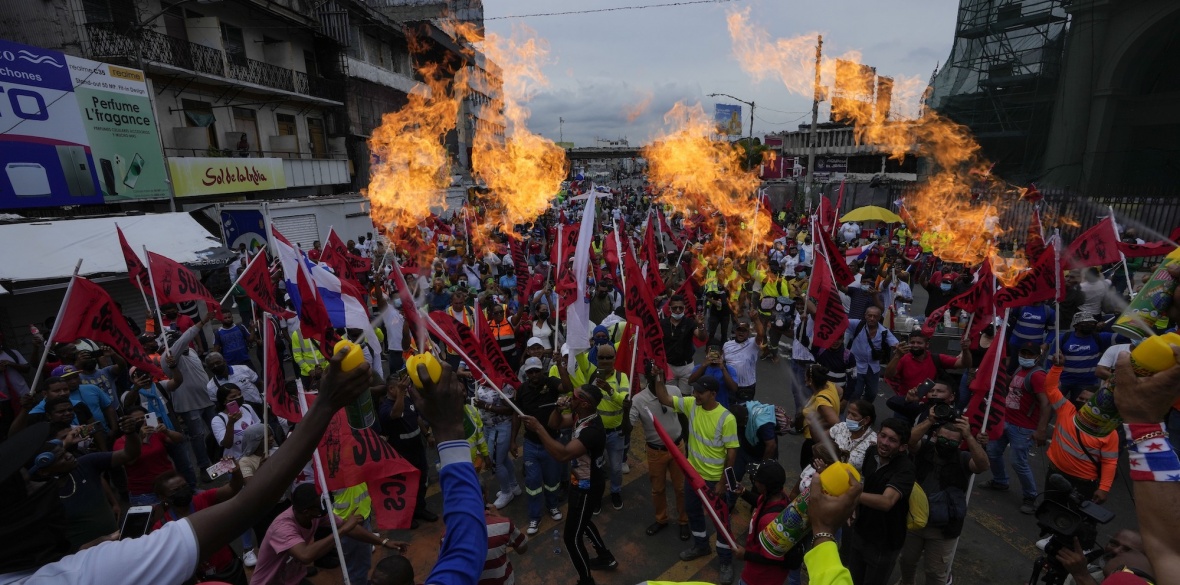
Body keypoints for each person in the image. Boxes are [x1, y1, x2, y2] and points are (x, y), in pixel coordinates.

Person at [520, 383, 619, 585]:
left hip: (587, 486)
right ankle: (605, 557)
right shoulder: (580, 416)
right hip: (580, 480)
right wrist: (558, 408)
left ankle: (586, 581)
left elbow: (562, 454)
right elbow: (555, 424)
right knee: (583, 521)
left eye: (573, 397)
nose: (569, 397)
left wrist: (538, 428)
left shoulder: (592, 430)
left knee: (571, 538)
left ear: (583, 404)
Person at [650, 372, 739, 584]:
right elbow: (665, 398)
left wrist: (722, 482)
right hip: (692, 475)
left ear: (713, 394)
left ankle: (725, 560)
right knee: (693, 511)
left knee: (721, 522)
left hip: (713, 481)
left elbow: (732, 452)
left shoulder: (727, 418)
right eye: (695, 391)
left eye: (700, 392)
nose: (696, 394)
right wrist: (658, 378)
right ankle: (701, 545)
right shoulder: (692, 405)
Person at [252, 483, 406, 585]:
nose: (324, 506)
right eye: (319, 504)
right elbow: (305, 555)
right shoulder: (283, 528)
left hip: (293, 579)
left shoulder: (317, 514)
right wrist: (343, 530)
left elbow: (349, 527)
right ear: (307, 511)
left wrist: (384, 542)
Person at [898, 415, 989, 585]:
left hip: (943, 528)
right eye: (942, 439)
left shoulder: (963, 459)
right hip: (915, 520)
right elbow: (909, 440)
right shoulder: (925, 449)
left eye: (953, 442)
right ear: (935, 436)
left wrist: (969, 436)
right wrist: (930, 420)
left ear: (960, 444)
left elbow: (983, 466)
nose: (946, 444)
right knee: (906, 561)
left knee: (935, 571)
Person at [842, 417, 915, 585]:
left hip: (884, 543)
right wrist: (854, 508)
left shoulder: (905, 469)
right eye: (882, 435)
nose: (884, 442)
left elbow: (886, 502)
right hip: (860, 532)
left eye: (892, 440)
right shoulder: (871, 452)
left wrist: (852, 494)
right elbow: (866, 484)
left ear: (903, 447)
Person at [982, 341, 1050, 514]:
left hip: (1023, 427)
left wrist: (1041, 430)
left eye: (1030, 354)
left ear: (1037, 357)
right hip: (1006, 421)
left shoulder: (1037, 376)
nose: (1025, 357)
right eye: (1023, 353)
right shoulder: (1021, 370)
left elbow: (1046, 403)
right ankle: (1000, 481)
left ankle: (1030, 496)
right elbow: (1011, 387)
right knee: (992, 451)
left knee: (1018, 462)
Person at [1044, 354, 1117, 503]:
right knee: (1048, 513)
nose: (1081, 401)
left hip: (1082, 484)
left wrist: (1104, 488)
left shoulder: (1109, 431)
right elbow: (1051, 388)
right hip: (1054, 475)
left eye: (1086, 401)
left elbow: (1110, 462)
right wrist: (1057, 367)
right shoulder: (1066, 409)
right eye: (1080, 398)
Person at [629, 373, 690, 540]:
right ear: (648, 379)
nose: (660, 380)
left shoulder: (675, 391)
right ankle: (661, 519)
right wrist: (625, 410)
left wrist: (687, 442)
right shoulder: (638, 400)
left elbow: (683, 416)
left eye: (662, 376)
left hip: (678, 447)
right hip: (656, 452)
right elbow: (628, 427)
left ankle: (684, 521)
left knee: (681, 488)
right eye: (655, 376)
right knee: (658, 489)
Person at [378, 369, 438, 528]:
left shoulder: (407, 399)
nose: (404, 388)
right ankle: (406, 516)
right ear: (391, 389)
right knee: (406, 485)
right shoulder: (386, 407)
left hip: (417, 447)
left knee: (422, 479)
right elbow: (396, 414)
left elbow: (417, 417)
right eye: (400, 386)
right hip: (402, 453)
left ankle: (419, 508)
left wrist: (427, 435)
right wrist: (402, 392)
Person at [513, 357, 564, 535]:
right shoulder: (522, 390)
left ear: (542, 370)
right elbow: (516, 416)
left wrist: (560, 365)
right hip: (530, 445)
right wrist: (513, 441)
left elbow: (567, 388)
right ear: (526, 373)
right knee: (532, 482)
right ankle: (534, 517)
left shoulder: (551, 383)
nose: (534, 375)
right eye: (530, 371)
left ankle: (553, 506)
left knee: (552, 481)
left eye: (537, 370)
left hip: (551, 443)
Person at [162, 315, 218, 475]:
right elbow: (183, 340)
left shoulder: (191, 351)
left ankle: (221, 463)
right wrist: (202, 322)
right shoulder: (168, 359)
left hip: (207, 400)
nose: (184, 343)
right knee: (198, 437)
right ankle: (204, 468)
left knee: (217, 432)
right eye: (180, 342)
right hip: (189, 405)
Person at [731, 460, 792, 585]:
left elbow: (772, 558)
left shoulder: (769, 520)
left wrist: (745, 555)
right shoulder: (778, 497)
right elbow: (759, 502)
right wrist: (743, 492)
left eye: (755, 479)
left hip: (760, 578)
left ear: (763, 486)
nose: (753, 481)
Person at [115, 405, 183, 506]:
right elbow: (130, 460)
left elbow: (178, 439)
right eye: (136, 419)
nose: (140, 421)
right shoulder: (121, 442)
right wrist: (139, 438)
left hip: (169, 486)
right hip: (145, 493)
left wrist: (166, 431)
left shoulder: (155, 433)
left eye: (143, 417)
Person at [884, 330, 970, 402]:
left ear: (927, 345)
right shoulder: (903, 359)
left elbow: (964, 364)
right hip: (907, 402)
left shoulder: (936, 358)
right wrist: (897, 356)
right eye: (912, 342)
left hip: (929, 404)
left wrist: (966, 350)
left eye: (919, 343)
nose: (915, 345)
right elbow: (888, 374)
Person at [475, 381, 522, 510]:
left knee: (496, 462)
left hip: (500, 427)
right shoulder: (482, 381)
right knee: (503, 459)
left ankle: (507, 492)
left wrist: (485, 406)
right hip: (488, 427)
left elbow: (510, 409)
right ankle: (513, 486)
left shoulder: (503, 384)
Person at [1049, 312, 1112, 403]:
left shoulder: (1099, 337)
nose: (1089, 326)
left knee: (1078, 407)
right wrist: (1052, 379)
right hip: (1063, 380)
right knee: (1054, 404)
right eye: (1085, 324)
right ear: (1076, 326)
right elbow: (1049, 361)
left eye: (1092, 323)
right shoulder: (1063, 338)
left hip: (1086, 383)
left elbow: (1123, 337)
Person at [845, 306, 899, 405]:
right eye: (869, 316)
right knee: (856, 393)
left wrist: (898, 348)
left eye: (875, 316)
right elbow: (842, 320)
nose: (872, 318)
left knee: (872, 393)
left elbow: (895, 344)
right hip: (856, 366)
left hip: (873, 368)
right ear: (865, 316)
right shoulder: (857, 325)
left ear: (879, 318)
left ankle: (864, 411)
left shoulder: (884, 331)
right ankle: (853, 412)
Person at [663, 294, 706, 392]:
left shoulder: (690, 323)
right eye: (674, 308)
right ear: (670, 309)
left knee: (685, 397)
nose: (678, 310)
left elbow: (702, 337)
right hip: (669, 366)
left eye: (680, 308)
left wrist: (701, 326)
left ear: (684, 308)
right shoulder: (663, 324)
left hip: (686, 367)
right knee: (670, 397)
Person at [479, 503, 529, 585]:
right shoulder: (503, 524)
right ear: (484, 495)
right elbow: (522, 548)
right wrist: (498, 517)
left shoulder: (451, 532)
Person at [830, 399, 877, 472]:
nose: (848, 417)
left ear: (866, 420)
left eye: (854, 415)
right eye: (848, 413)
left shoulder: (873, 442)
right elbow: (821, 439)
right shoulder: (842, 426)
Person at [687, 343, 739, 409]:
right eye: (711, 354)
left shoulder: (729, 369)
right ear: (706, 353)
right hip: (702, 408)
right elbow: (690, 382)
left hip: (722, 408)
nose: (714, 356)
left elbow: (734, 388)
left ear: (721, 353)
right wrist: (703, 366)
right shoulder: (699, 368)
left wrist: (723, 369)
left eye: (716, 354)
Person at [723, 319, 759, 402]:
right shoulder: (727, 345)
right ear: (735, 331)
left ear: (748, 332)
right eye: (739, 330)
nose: (741, 332)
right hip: (730, 385)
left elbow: (761, 334)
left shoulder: (753, 343)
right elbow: (722, 361)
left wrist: (756, 319)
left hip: (746, 387)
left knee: (744, 412)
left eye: (744, 331)